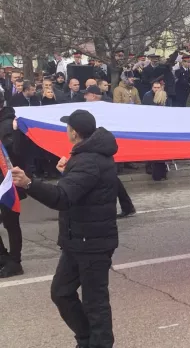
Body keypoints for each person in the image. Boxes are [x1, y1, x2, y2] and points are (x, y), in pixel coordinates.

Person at [11, 109, 118, 347]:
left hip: (92, 243)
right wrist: (67, 171)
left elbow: (62, 197)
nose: (65, 130)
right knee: (61, 293)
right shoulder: (86, 156)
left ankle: (97, 342)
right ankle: (86, 338)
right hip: (77, 241)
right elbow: (81, 187)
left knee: (95, 303)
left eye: (67, 127)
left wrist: (29, 183)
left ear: (75, 132)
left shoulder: (89, 161)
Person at [0, 94, 27, 278]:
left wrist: (13, 135)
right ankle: (3, 258)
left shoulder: (9, 123)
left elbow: (14, 149)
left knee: (11, 222)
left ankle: (15, 262)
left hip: (8, 181)